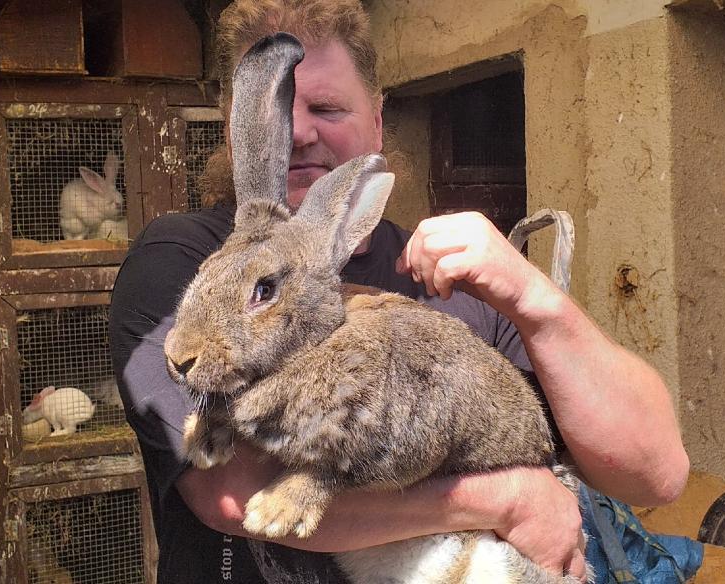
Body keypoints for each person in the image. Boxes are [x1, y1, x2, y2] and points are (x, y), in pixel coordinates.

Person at [109, 1, 690, 582]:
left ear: (378, 121)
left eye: (328, 107)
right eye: (278, 114)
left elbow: (655, 475)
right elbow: (233, 494)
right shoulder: (185, 263)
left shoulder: (451, 282)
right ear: (241, 134)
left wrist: (535, 300)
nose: (300, 132)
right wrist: (513, 499)